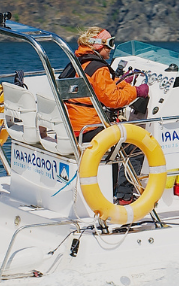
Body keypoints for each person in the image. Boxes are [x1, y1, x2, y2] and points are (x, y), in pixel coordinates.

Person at [60, 26, 147, 202]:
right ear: (98, 46)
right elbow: (112, 99)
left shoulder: (79, 61)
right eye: (110, 43)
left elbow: (105, 85)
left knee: (119, 137)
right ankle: (125, 196)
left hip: (73, 126)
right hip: (88, 129)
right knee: (135, 144)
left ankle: (115, 186)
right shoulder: (98, 68)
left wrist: (125, 84)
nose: (111, 48)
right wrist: (138, 92)